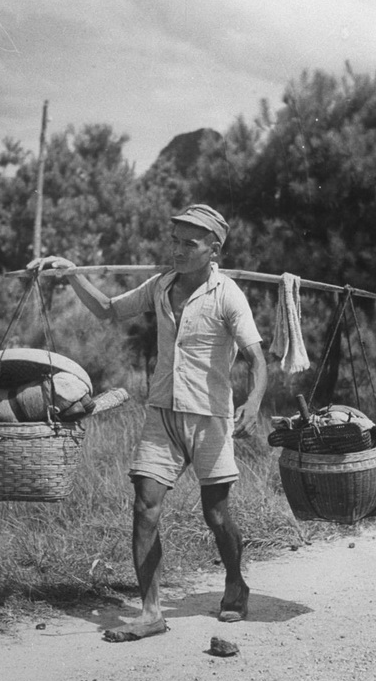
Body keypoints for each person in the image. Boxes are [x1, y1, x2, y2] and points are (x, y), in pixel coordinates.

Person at [28, 203, 267, 642]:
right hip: (162, 412)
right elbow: (107, 310)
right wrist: (72, 272)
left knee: (216, 515)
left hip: (210, 417)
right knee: (145, 505)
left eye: (188, 243)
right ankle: (151, 611)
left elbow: (256, 357)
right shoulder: (160, 287)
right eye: (173, 240)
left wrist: (253, 401)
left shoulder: (227, 295)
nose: (176, 249)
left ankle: (235, 581)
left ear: (213, 249)